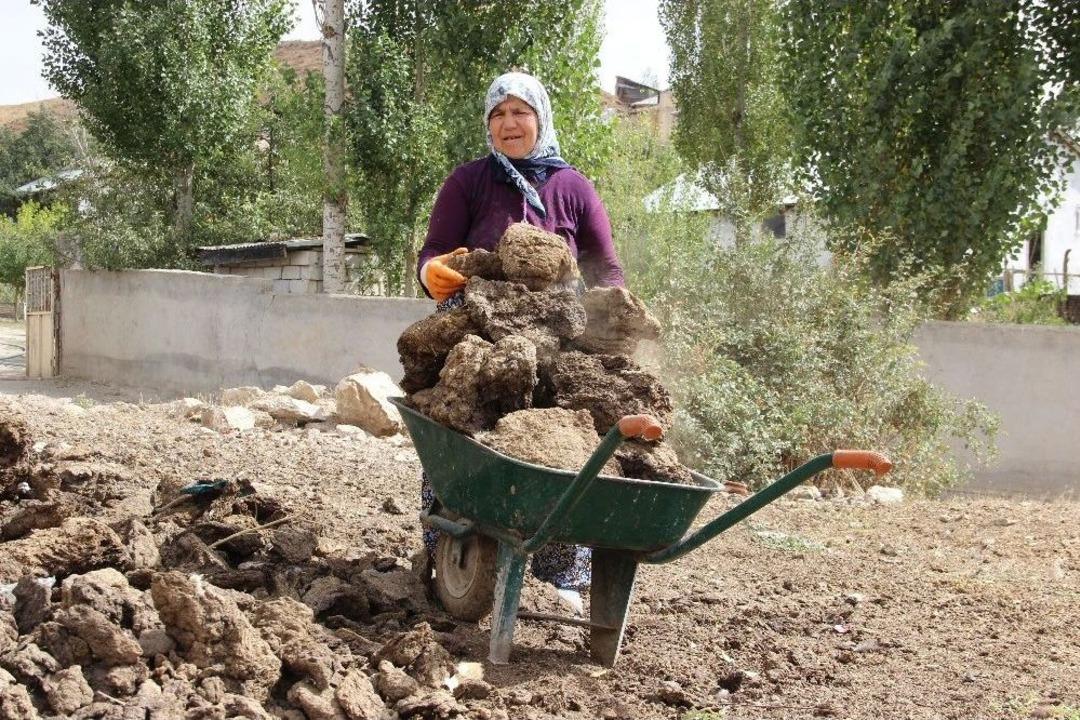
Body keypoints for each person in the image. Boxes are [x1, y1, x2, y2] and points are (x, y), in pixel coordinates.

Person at [416, 72, 626, 611]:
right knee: (461, 429)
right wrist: (432, 274)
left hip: (554, 337)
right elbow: (433, 251)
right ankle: (450, 551)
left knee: (560, 450)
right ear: (489, 125)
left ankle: (564, 576)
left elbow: (605, 268)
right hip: (478, 333)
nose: (509, 123)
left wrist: (616, 315)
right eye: (498, 114)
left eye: (521, 112)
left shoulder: (572, 186)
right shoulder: (469, 182)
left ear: (541, 118)